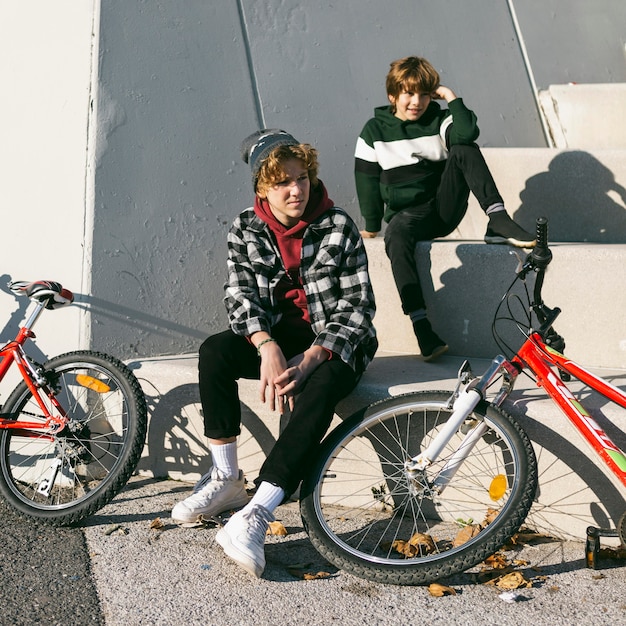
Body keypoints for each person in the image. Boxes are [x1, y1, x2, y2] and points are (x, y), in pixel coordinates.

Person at [171, 129, 378, 578]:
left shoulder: (338, 226)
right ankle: (226, 479)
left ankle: (258, 512)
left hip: (337, 342)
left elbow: (359, 306)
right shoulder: (245, 227)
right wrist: (267, 347)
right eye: (283, 181)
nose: (296, 189)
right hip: (279, 337)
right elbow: (239, 297)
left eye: (302, 178)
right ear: (262, 188)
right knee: (216, 351)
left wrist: (311, 357)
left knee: (319, 389)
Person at [354, 55, 536, 361]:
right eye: (409, 94)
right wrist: (372, 225)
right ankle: (421, 326)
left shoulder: (438, 119)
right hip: (406, 217)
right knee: (396, 234)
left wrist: (450, 98)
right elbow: (367, 183)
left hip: (442, 207)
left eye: (424, 94)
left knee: (464, 149)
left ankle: (498, 219)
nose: (417, 101)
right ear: (392, 96)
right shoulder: (374, 130)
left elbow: (466, 135)